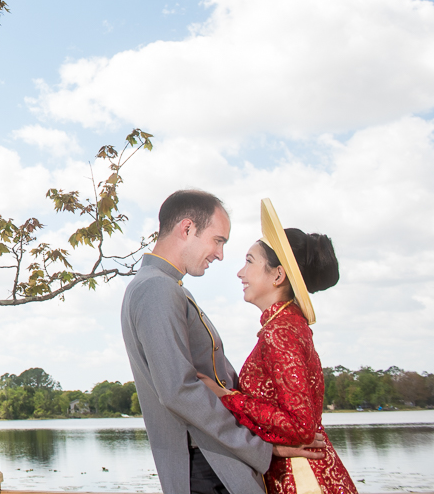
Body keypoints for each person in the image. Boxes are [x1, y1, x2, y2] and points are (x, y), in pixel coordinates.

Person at [122, 190, 320, 494]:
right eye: (218, 240)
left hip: (214, 464)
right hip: (209, 466)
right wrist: (262, 449)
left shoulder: (165, 286)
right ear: (187, 229)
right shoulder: (157, 290)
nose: (220, 254)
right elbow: (179, 392)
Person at [198, 199, 358, 494]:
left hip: (302, 477)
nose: (240, 273)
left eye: (249, 261)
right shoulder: (287, 324)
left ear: (278, 275)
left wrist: (226, 397)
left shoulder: (281, 331)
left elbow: (300, 425)